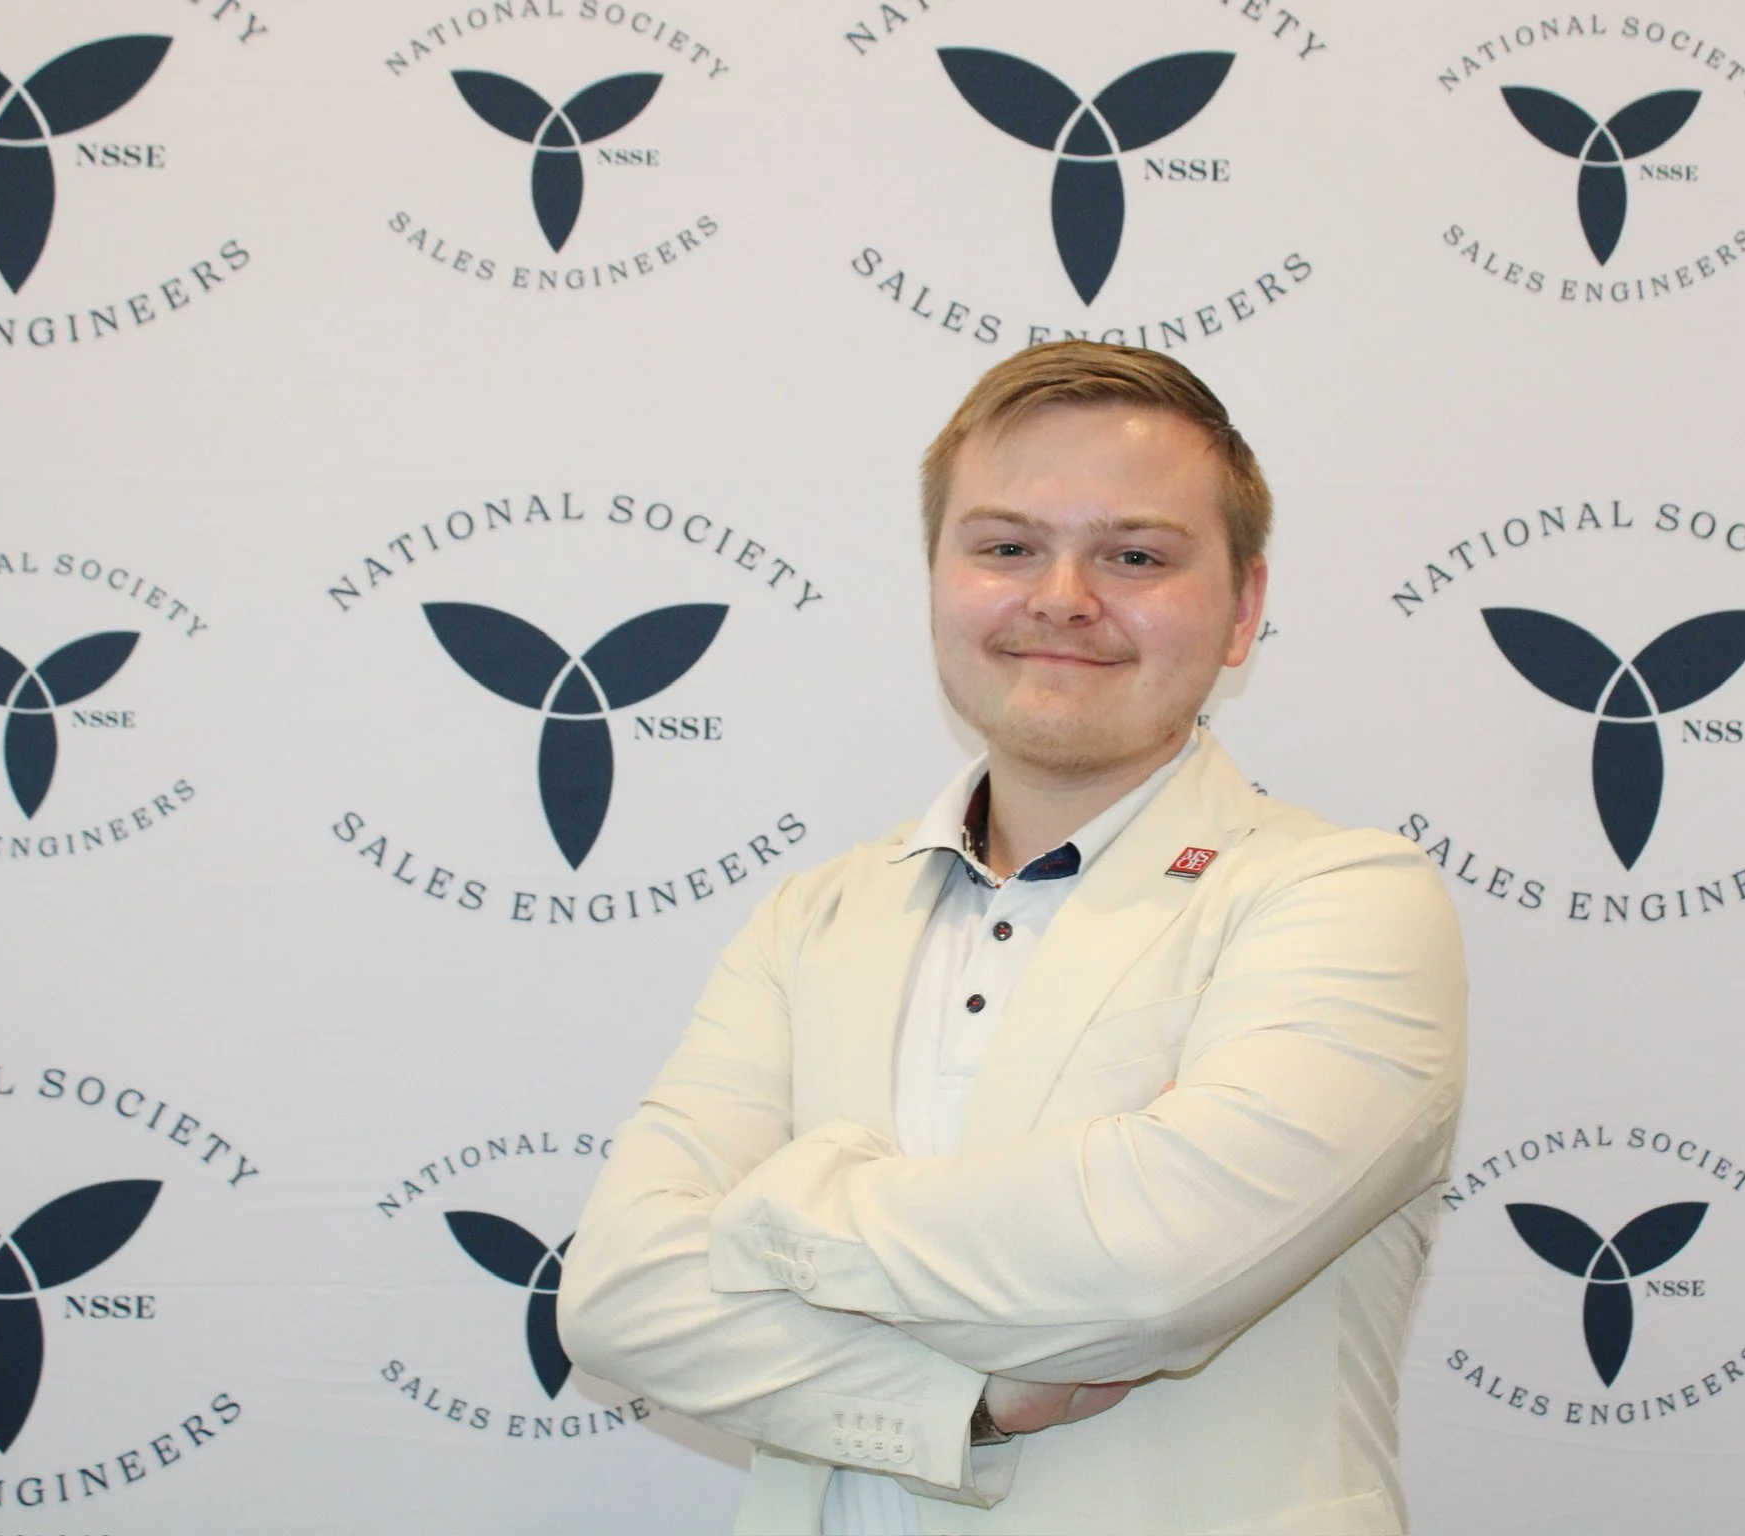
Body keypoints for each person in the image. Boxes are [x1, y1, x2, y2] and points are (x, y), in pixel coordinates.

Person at [559, 341, 1467, 1535]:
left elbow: (1151, 1268)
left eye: (1135, 555)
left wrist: (778, 1215)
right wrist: (968, 1398)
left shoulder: (1342, 898)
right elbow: (619, 1294)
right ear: (938, 578)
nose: (1062, 598)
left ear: (1243, 609)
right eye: (1006, 547)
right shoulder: (814, 917)